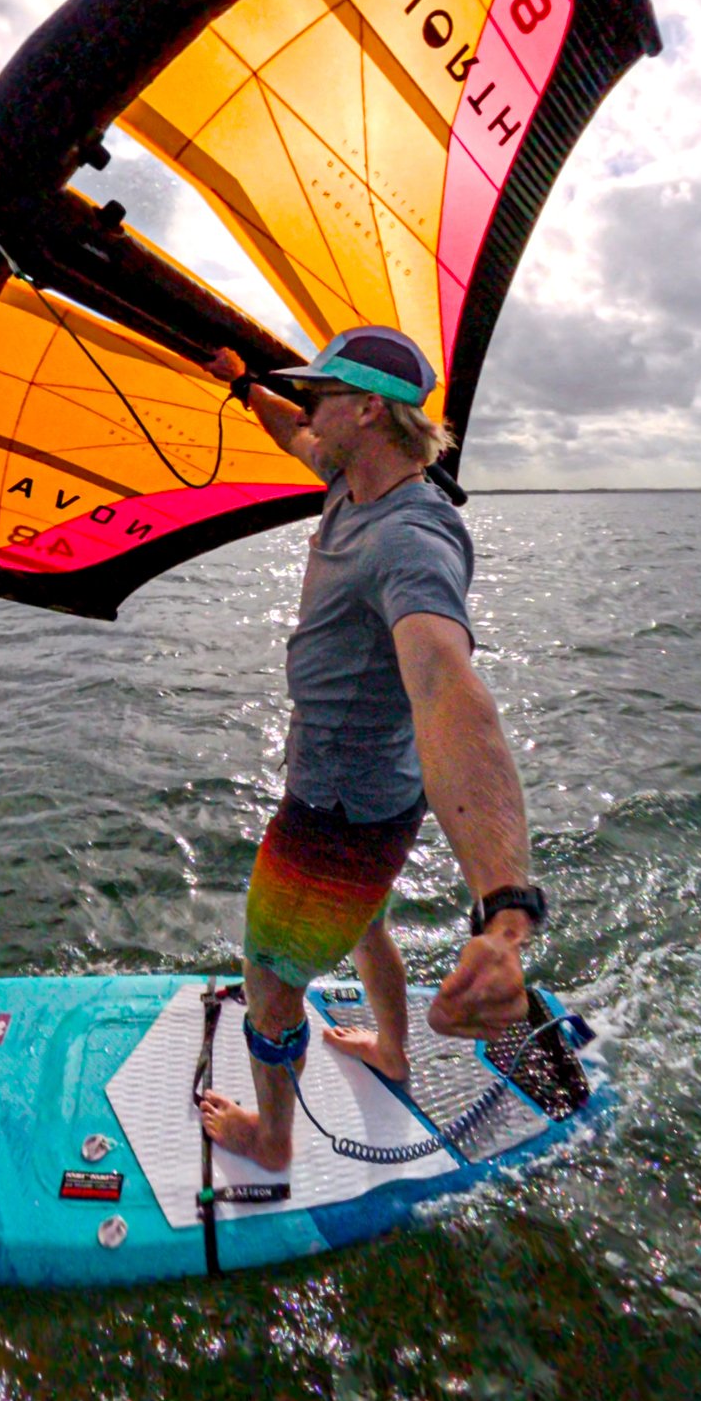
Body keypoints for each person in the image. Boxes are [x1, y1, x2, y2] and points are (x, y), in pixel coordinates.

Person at [196, 325, 546, 1172]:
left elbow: (447, 691)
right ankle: (393, 1047)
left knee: (271, 985)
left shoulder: (409, 539)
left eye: (324, 392)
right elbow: (294, 432)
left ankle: (272, 1139)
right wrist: (243, 385)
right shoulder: (354, 478)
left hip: (336, 814)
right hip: (375, 793)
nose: (311, 405)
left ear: (366, 409)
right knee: (369, 923)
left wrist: (504, 908)